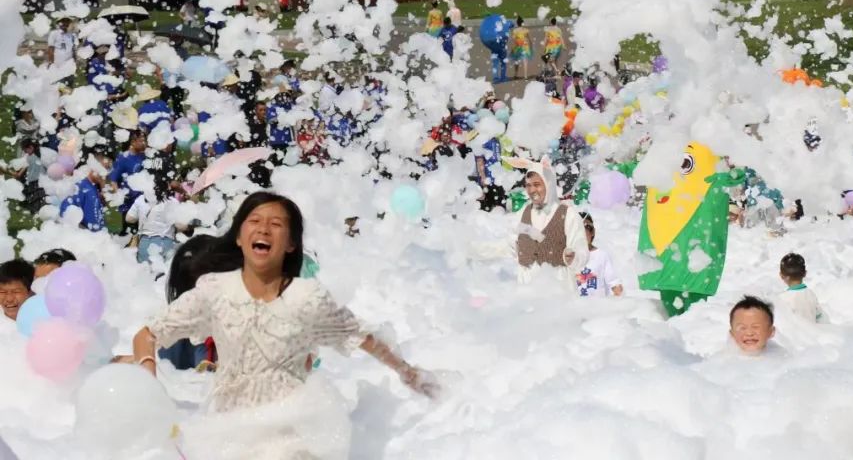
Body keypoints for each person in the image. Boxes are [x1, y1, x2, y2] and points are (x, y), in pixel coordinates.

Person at [126, 192, 437, 416]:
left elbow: (363, 338)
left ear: (290, 243)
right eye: (254, 221)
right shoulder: (214, 291)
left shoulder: (308, 299)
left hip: (291, 433)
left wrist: (408, 372)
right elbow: (148, 334)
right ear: (238, 237)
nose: (263, 228)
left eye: (276, 223)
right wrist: (147, 380)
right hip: (227, 434)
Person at [512, 159, 589, 285]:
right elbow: (511, 246)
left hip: (558, 292)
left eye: (537, 184)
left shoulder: (568, 214)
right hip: (527, 293)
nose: (532, 190)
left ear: (549, 184)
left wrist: (573, 257)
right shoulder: (522, 214)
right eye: (528, 185)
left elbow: (581, 250)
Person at [575, 214, 623, 298]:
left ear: (592, 232)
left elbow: (614, 283)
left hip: (598, 307)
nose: (581, 235)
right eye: (577, 230)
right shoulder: (568, 257)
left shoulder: (601, 255)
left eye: (586, 229)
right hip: (576, 307)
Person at [109, 129, 148, 231]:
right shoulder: (123, 158)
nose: (144, 143)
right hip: (129, 205)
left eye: (145, 140)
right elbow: (113, 180)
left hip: (142, 203)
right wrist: (120, 196)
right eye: (141, 140)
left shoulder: (144, 156)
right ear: (133, 141)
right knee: (129, 233)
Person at [776, 253, 825, 323]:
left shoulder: (782, 299)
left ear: (781, 275)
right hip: (813, 332)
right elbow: (819, 317)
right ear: (805, 273)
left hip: (793, 333)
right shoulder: (811, 294)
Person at [8, 138, 45, 213]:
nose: (25, 152)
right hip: (33, 177)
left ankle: (36, 206)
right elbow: (25, 166)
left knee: (35, 191)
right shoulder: (30, 156)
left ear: (31, 147)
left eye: (25, 150)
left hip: (38, 179)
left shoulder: (37, 157)